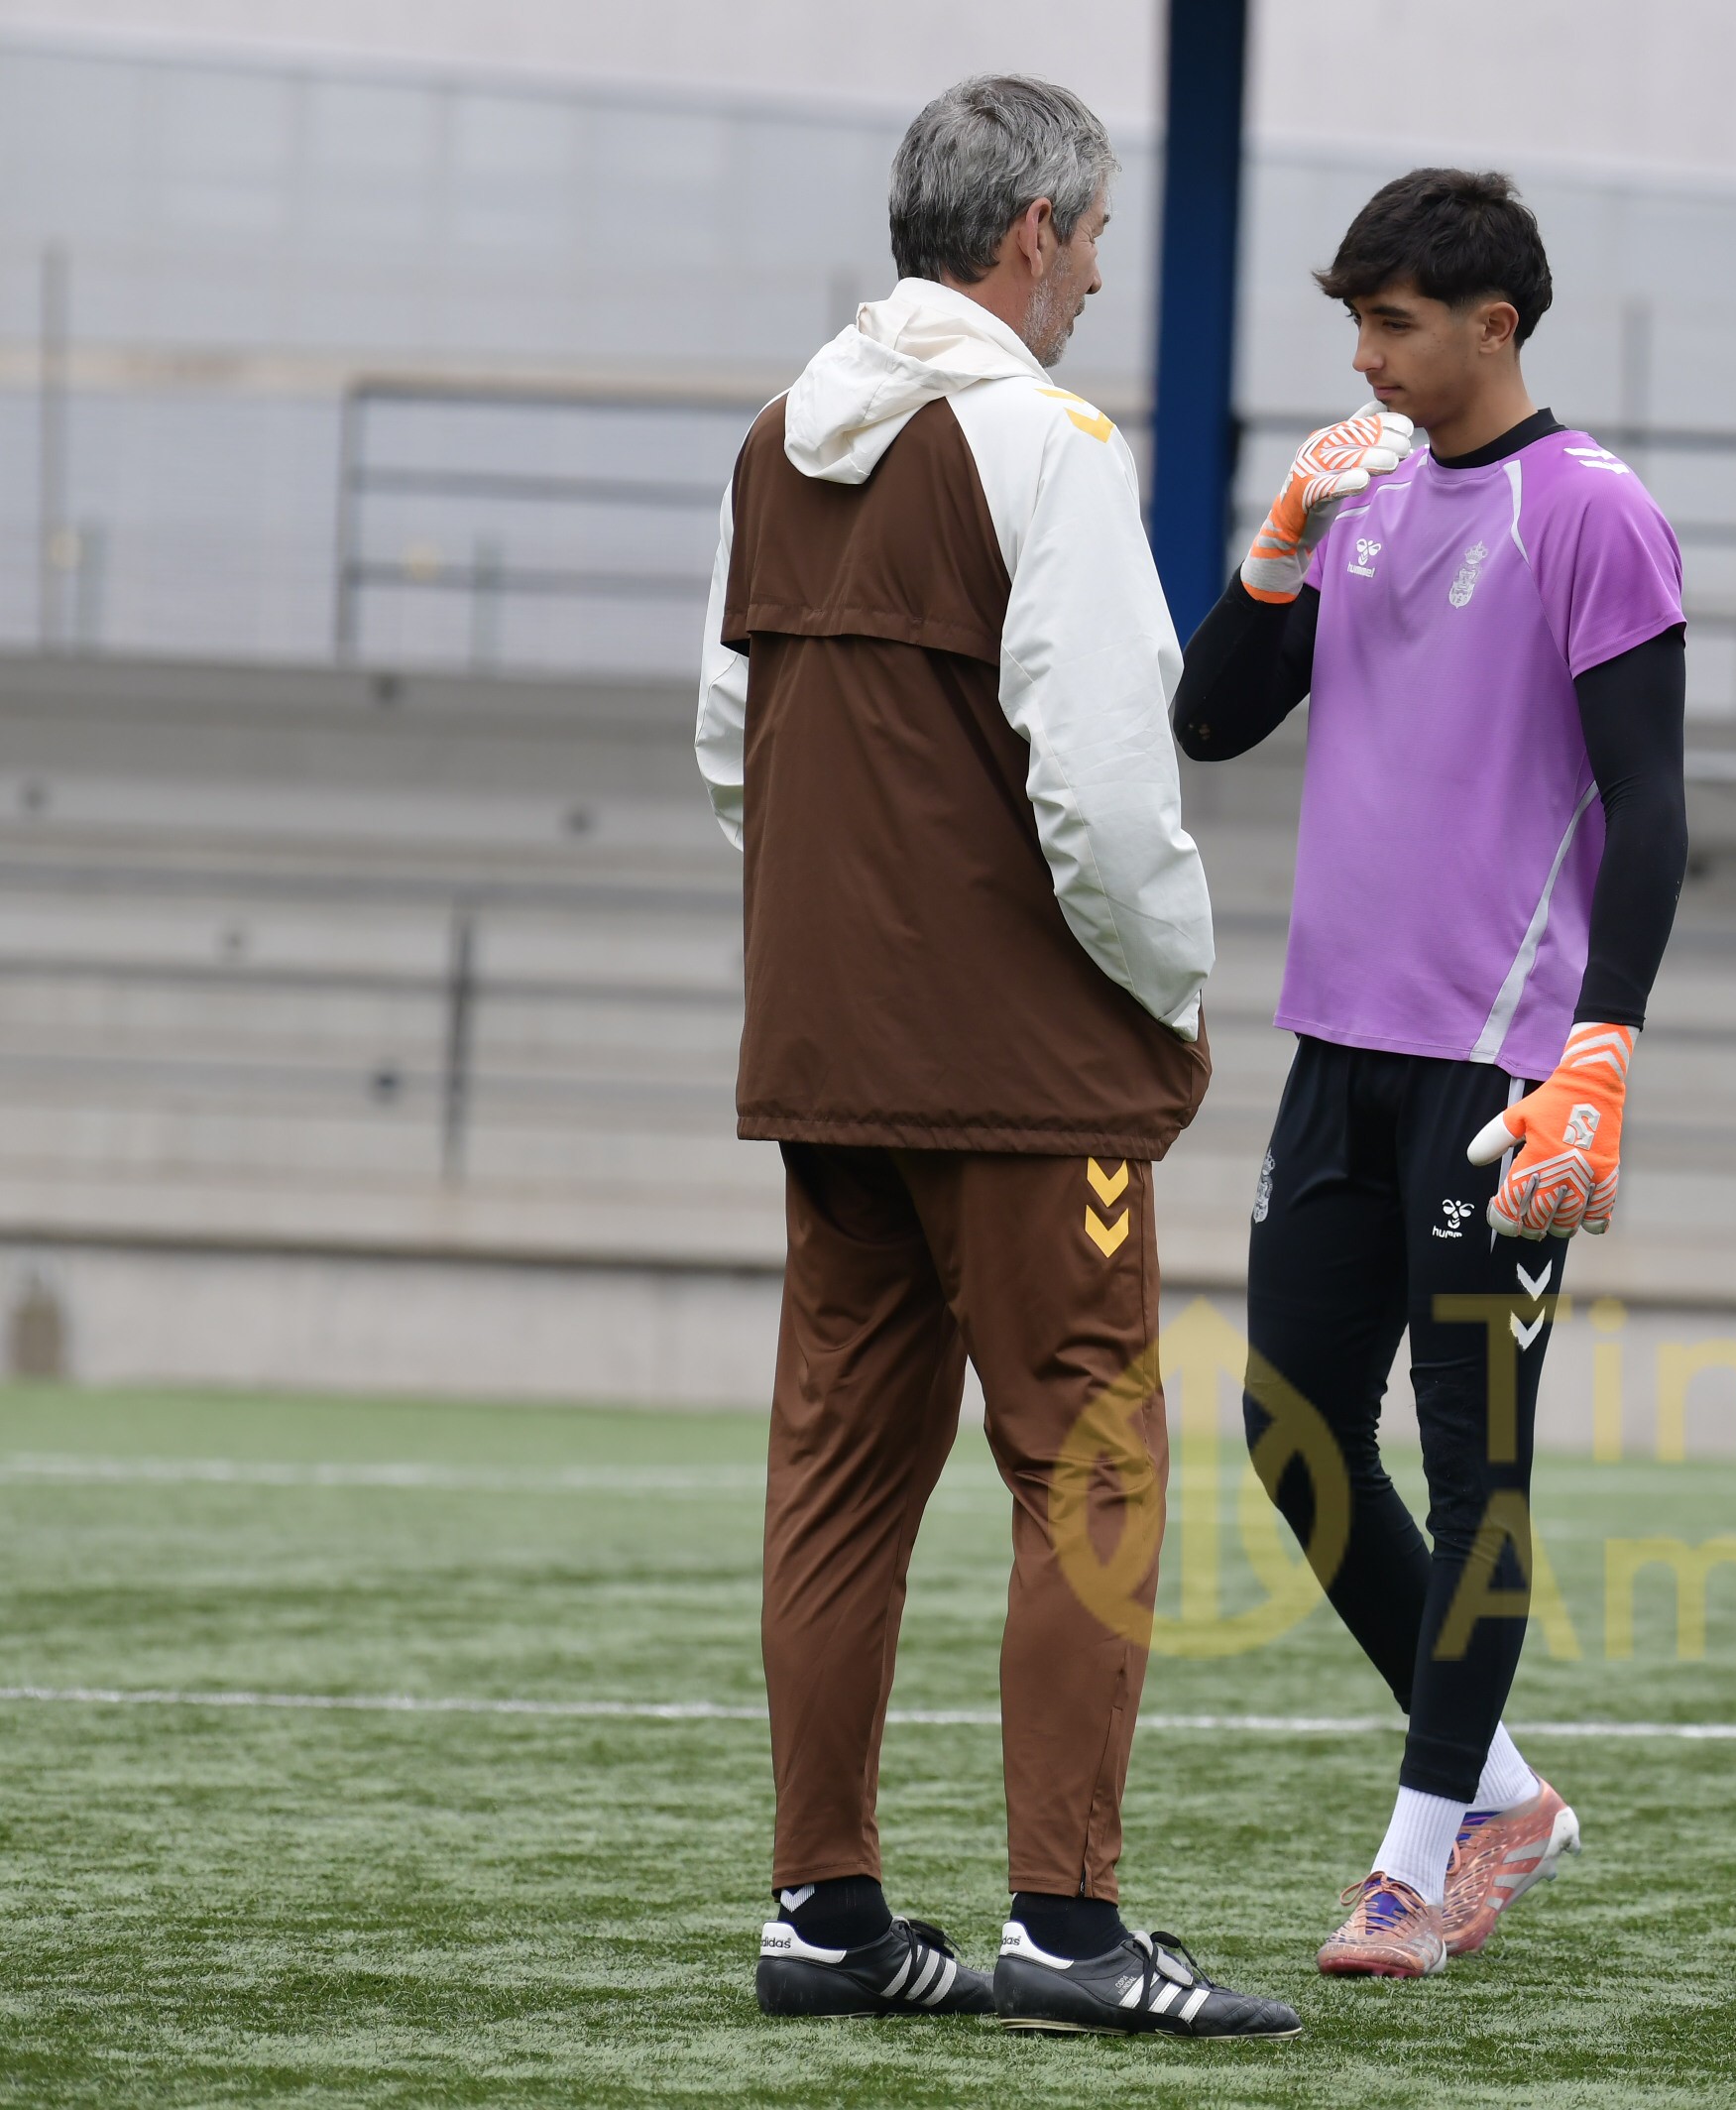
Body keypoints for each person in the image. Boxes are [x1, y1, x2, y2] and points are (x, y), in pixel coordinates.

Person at [696, 73, 1296, 2041]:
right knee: (1092, 1460)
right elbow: (1110, 789)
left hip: (827, 1053)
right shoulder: (1043, 446)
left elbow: (733, 752)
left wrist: (849, 941)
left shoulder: (777, 441)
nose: (1102, 271)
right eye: (1096, 236)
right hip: (1025, 1073)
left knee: (837, 1477)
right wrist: (1172, 993)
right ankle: (1067, 1917)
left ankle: (827, 1908)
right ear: (1032, 228)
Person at [1170, 168, 1689, 1980]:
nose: (1369, 360)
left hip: (1502, 1077)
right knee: (1291, 1432)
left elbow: (1653, 804)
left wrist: (1602, 1046)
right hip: (1339, 1056)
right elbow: (1209, 720)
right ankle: (1510, 1798)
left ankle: (1414, 1863)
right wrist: (1277, 544)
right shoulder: (1366, 496)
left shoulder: (1596, 513)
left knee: (1480, 1476)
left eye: (1396, 323)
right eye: (1356, 324)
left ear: (1497, 323)